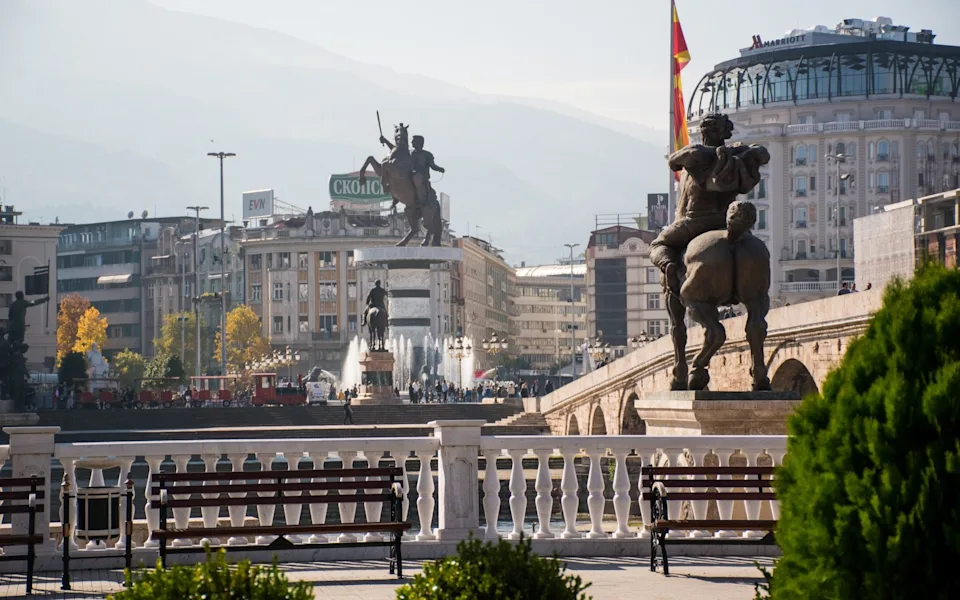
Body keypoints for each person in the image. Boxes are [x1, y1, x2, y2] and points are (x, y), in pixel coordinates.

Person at [649, 114, 769, 294]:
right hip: (726, 221)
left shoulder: (697, 154)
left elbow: (673, 161)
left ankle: (668, 266)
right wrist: (738, 152)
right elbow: (763, 154)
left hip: (695, 221)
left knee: (657, 245)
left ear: (704, 131)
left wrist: (711, 153)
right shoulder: (736, 155)